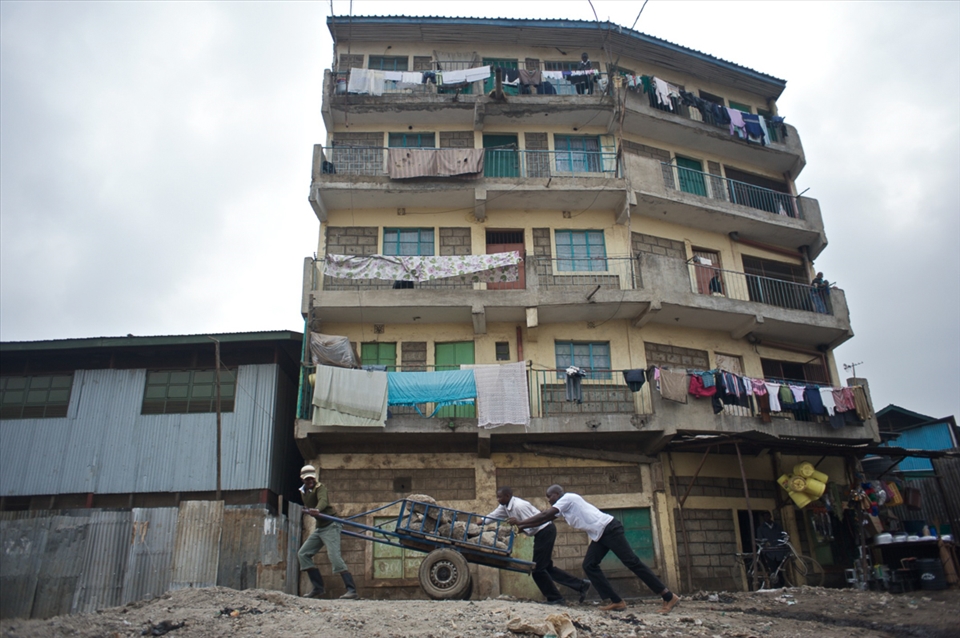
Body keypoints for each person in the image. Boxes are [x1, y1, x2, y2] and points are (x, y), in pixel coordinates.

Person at [510, 485, 680, 613]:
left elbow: (545, 515)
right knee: (589, 565)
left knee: (632, 562)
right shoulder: (563, 508)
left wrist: (521, 521)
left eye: (549, 496)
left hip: (609, 529)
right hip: (600, 535)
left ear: (557, 494)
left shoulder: (568, 498)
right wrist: (522, 526)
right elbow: (543, 520)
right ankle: (617, 601)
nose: (548, 500)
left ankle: (668, 596)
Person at [485, 486, 590, 605]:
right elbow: (492, 516)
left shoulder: (520, 506)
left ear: (507, 496)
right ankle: (581, 585)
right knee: (547, 568)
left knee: (537, 569)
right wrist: (479, 522)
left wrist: (520, 527)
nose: (497, 499)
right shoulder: (505, 507)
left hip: (545, 531)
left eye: (499, 497)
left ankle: (555, 598)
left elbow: (534, 524)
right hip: (542, 533)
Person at [297, 464, 359, 599]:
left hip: (331, 524)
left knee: (334, 556)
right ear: (302, 480)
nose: (310, 481)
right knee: (303, 554)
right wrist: (307, 509)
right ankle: (318, 588)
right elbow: (309, 505)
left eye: (312, 479)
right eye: (307, 480)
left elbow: (323, 501)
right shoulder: (303, 492)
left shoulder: (320, 488)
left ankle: (351, 590)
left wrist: (317, 509)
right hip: (320, 527)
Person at [755, 511, 789, 587]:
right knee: (773, 569)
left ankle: (783, 585)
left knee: (781, 570)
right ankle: (777, 586)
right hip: (770, 553)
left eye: (767, 516)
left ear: (770, 516)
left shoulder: (777, 526)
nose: (766, 517)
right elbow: (760, 540)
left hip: (779, 551)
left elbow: (782, 535)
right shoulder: (761, 528)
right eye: (764, 516)